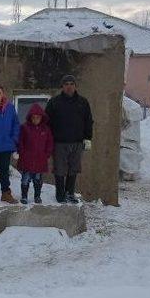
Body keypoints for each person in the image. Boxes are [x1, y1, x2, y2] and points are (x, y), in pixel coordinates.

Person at [45, 74, 93, 204]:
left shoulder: (83, 102)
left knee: (74, 168)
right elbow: (46, 122)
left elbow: (88, 121)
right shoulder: (54, 102)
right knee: (59, 169)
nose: (69, 86)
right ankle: (60, 194)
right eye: (66, 84)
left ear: (75, 86)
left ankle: (70, 193)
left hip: (77, 142)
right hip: (59, 142)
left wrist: (88, 138)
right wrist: (48, 139)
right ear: (62, 86)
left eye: (71, 84)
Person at [17, 103, 54, 204]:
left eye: (38, 117)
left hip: (40, 159)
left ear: (42, 118)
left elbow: (50, 142)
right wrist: (22, 152)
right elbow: (20, 141)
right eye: (33, 117)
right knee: (25, 179)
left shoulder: (46, 129)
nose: (36, 119)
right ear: (30, 117)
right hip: (27, 159)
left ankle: (37, 196)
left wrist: (47, 154)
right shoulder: (24, 128)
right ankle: (24, 196)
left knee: (37, 179)